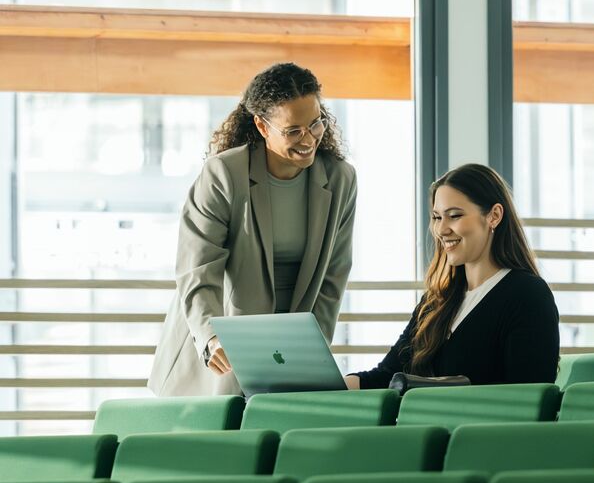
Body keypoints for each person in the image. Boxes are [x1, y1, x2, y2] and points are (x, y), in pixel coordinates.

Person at [149, 62, 357, 396]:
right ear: (261, 125)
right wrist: (211, 337)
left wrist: (311, 352)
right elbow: (197, 271)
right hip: (224, 335)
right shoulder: (224, 174)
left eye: (315, 124)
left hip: (293, 340)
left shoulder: (340, 179)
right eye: (293, 131)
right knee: (222, 440)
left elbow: (334, 274)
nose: (309, 139)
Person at [345, 164, 558, 389]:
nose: (441, 229)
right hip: (422, 424)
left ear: (494, 216)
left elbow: (530, 397)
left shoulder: (527, 294)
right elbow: (386, 376)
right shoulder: (437, 299)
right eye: (437, 217)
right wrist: (325, 385)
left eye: (454, 216)